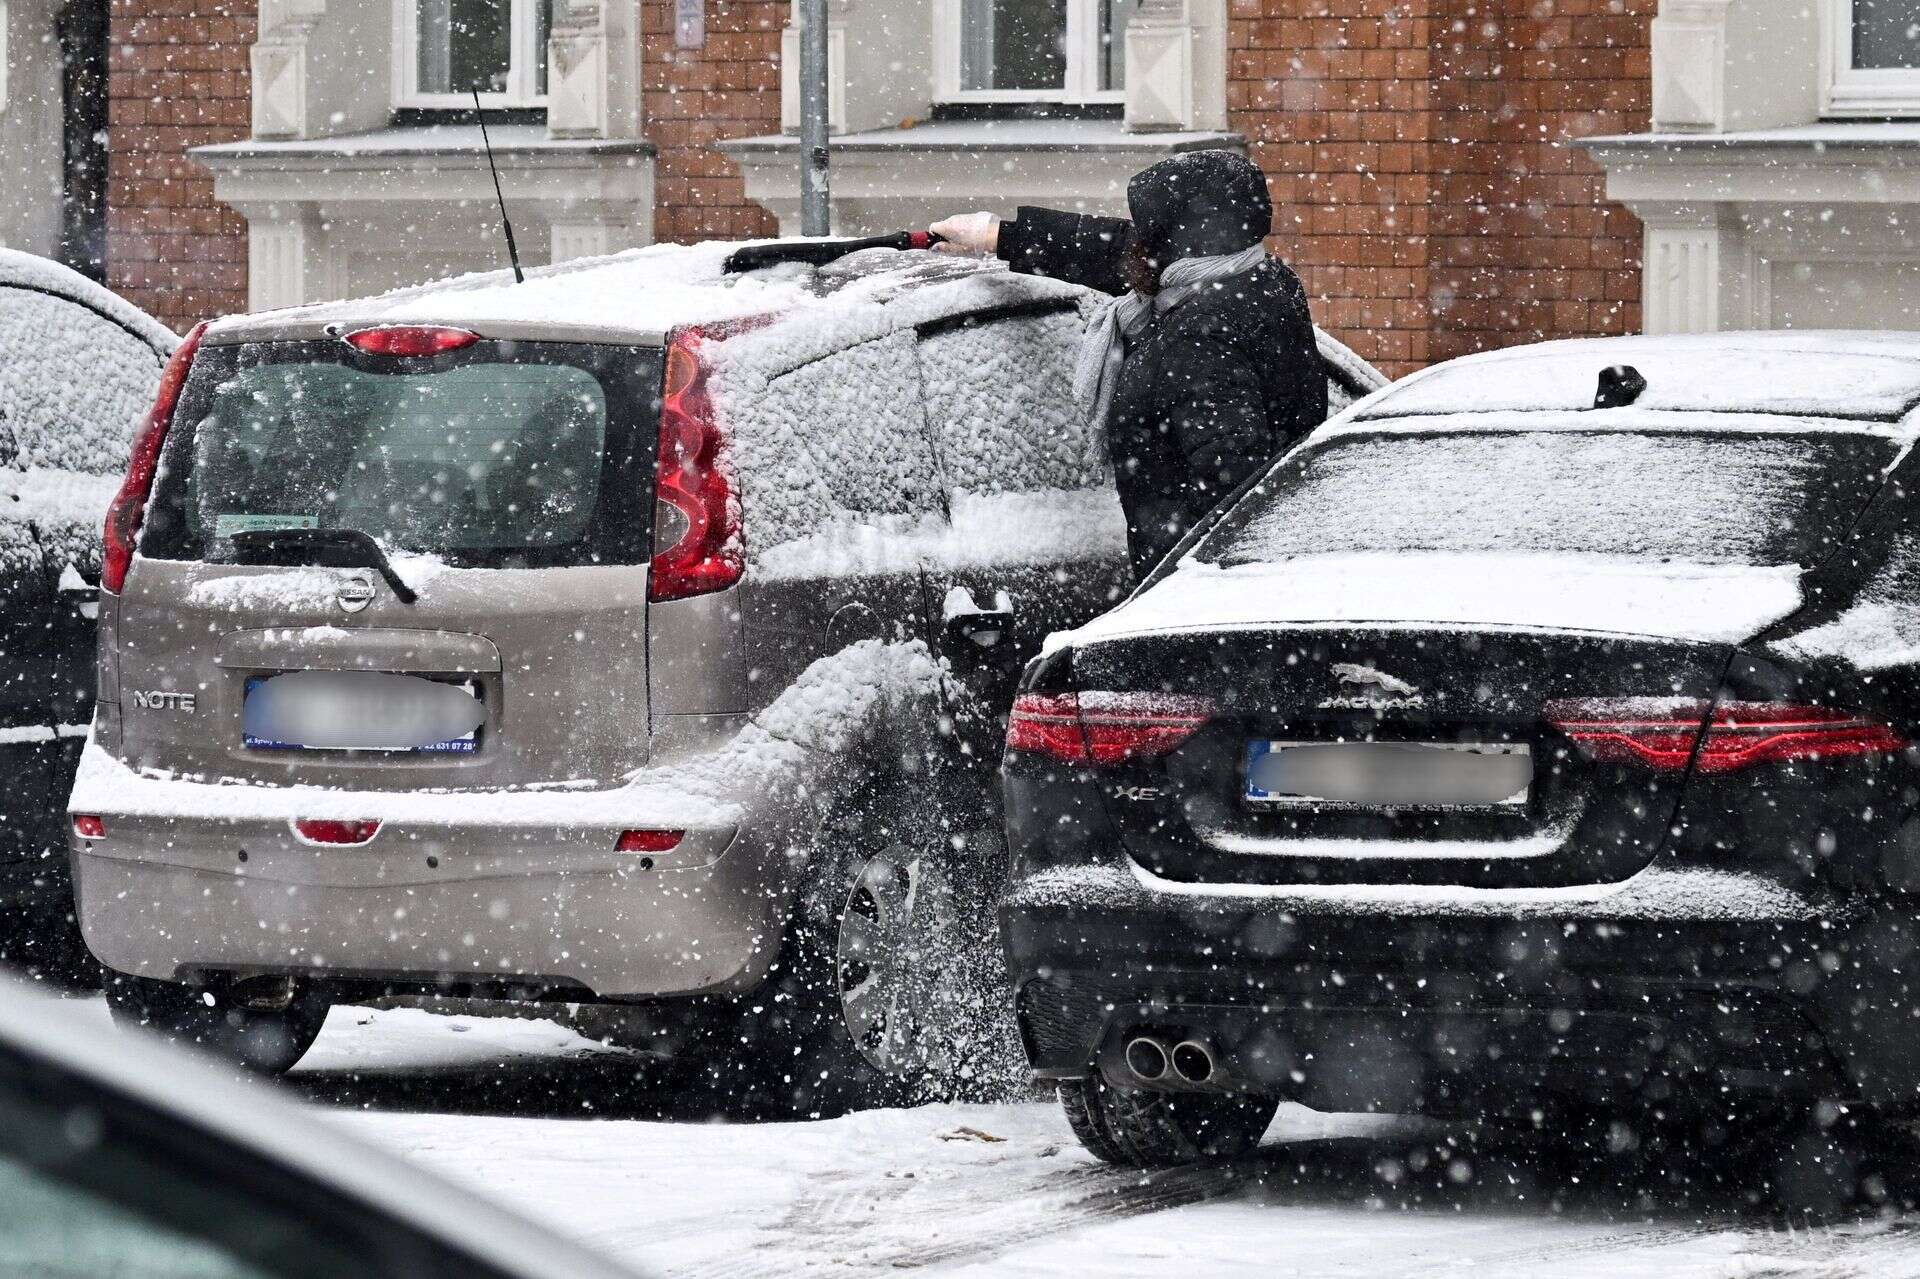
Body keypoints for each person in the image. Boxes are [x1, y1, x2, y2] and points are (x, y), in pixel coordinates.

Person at [932, 149, 1326, 578]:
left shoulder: (1201, 339)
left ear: (1177, 244)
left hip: (1189, 596)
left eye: (1149, 232)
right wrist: (999, 235)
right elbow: (1114, 250)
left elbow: (1231, 499)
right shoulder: (1254, 281)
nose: (1136, 241)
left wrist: (1179, 598)